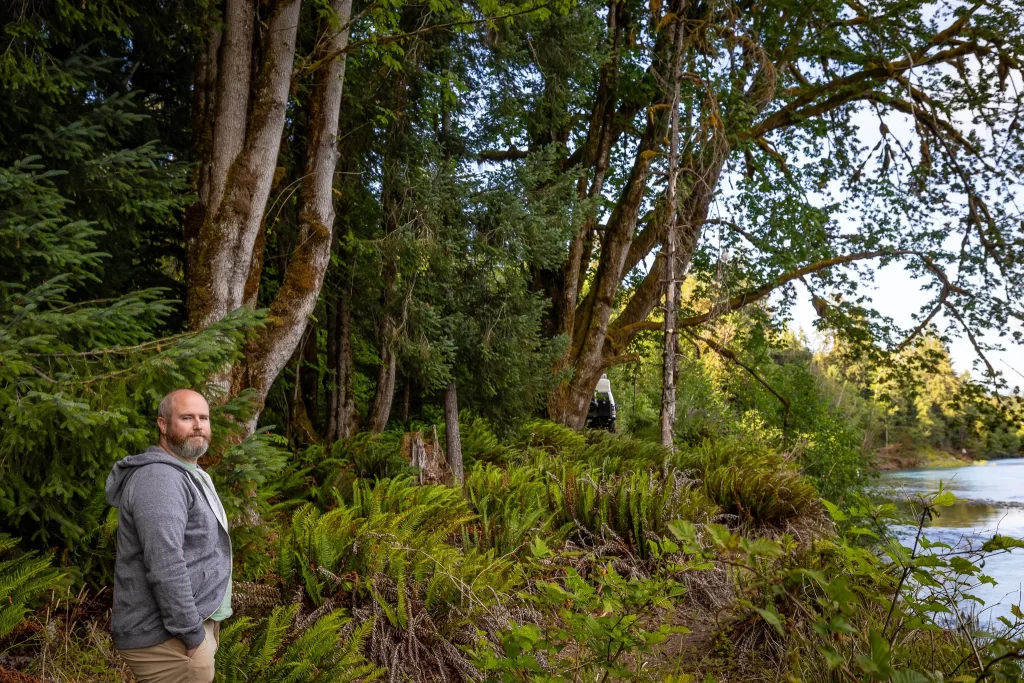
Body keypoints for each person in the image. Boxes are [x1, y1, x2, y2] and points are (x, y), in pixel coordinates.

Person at [105, 389, 232, 683]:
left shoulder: (190, 473)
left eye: (204, 418)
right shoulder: (160, 479)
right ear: (163, 425)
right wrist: (191, 635)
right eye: (187, 418)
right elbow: (165, 564)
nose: (198, 425)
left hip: (186, 629)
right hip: (168, 636)